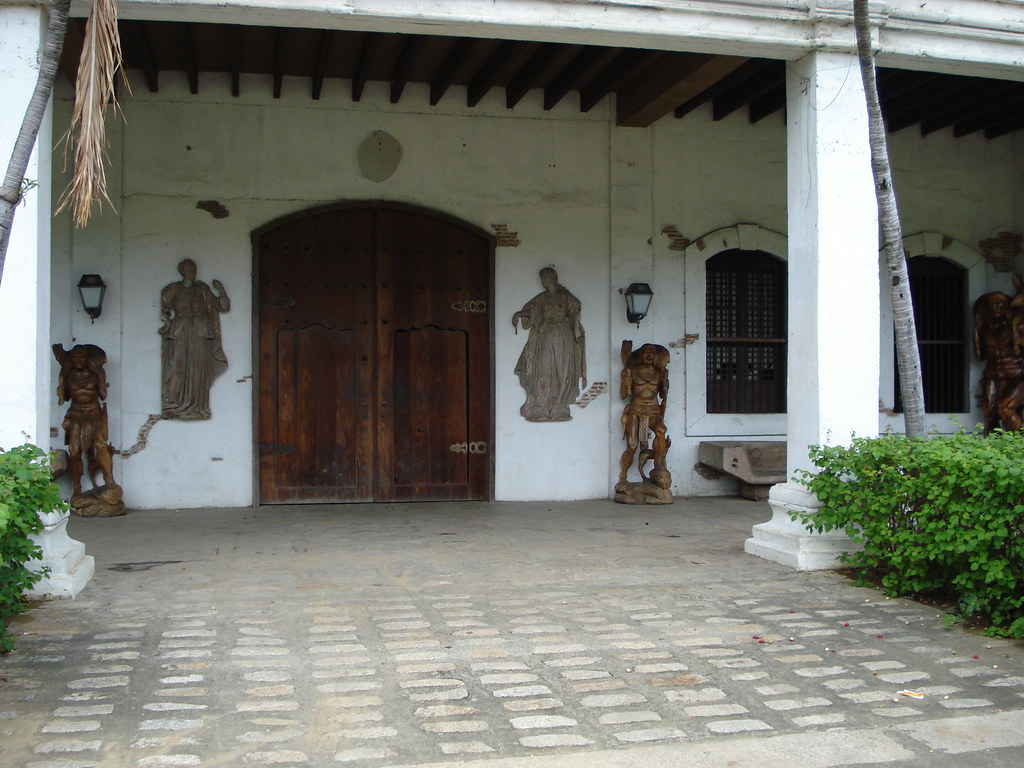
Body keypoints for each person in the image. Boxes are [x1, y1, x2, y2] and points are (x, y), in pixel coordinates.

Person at [511, 268, 586, 421]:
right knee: (542, 368)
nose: (544, 281)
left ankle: (560, 406)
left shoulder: (564, 296)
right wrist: (519, 314)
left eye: (546, 278)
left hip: (562, 336)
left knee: (562, 369)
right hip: (545, 334)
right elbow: (532, 311)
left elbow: (576, 308)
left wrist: (576, 327)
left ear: (553, 278)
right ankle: (540, 405)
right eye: (543, 279)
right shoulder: (542, 298)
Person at [159, 258, 231, 419]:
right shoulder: (173, 289)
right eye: (190, 269)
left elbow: (223, 306)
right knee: (177, 367)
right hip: (180, 331)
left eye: (194, 269)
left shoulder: (202, 289)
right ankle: (174, 404)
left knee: (198, 368)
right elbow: (164, 309)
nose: (193, 272)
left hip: (201, 332)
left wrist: (221, 290)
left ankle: (197, 406)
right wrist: (166, 320)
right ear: (183, 271)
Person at [53, 344, 115, 497]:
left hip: (94, 414)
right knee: (74, 452)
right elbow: (65, 398)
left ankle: (109, 480)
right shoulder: (67, 374)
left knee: (100, 446)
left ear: (87, 359)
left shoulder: (96, 374)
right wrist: (60, 393)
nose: (78, 360)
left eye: (81, 357)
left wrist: (100, 380)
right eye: (75, 357)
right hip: (75, 415)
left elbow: (103, 395)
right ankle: (76, 488)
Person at [616, 341, 671, 491]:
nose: (648, 355)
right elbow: (623, 396)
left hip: (653, 410)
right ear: (640, 356)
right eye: (645, 352)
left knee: (661, 431)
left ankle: (659, 465)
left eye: (651, 353)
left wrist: (665, 384)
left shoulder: (660, 373)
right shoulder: (631, 371)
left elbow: (662, 395)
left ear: (655, 357)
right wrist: (625, 384)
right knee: (632, 446)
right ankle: (623, 475)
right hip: (636, 410)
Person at [973, 291, 1024, 433]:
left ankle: (1017, 443)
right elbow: (980, 357)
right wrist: (976, 334)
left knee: (1005, 408)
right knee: (989, 413)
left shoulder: (1017, 327)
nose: (995, 307)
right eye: (992, 304)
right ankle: (993, 447)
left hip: (1016, 374)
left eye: (999, 303)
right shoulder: (985, 329)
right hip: (993, 374)